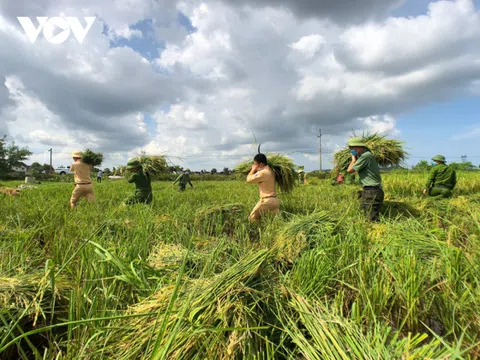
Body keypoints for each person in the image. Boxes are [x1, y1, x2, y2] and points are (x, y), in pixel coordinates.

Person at [347, 138, 384, 222]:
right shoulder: (366, 155)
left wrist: (353, 159)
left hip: (372, 191)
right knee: (364, 215)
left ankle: (376, 233)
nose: (351, 151)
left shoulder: (366, 156)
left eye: (352, 149)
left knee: (371, 219)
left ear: (359, 147)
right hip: (370, 190)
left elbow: (349, 170)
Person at [246, 153, 280, 222]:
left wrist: (253, 170)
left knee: (252, 219)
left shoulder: (263, 173)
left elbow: (248, 180)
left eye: (255, 164)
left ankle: (257, 232)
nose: (254, 166)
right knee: (271, 222)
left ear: (261, 164)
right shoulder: (271, 171)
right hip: (275, 201)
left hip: (267, 201)